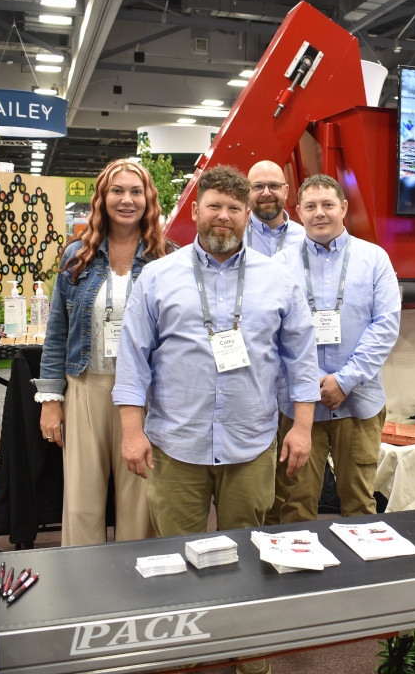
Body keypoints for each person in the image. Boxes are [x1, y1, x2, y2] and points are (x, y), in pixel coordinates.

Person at [113, 164, 320, 539]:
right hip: (176, 444)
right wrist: (131, 432)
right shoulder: (157, 277)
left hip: (250, 443)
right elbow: (132, 360)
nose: (224, 216)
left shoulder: (279, 279)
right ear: (195, 211)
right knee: (178, 551)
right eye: (214, 206)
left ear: (247, 214)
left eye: (234, 208)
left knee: (245, 553)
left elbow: (301, 359)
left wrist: (302, 428)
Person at [34, 159, 173, 546]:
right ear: (102, 198)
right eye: (117, 191)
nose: (127, 199)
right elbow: (57, 332)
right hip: (86, 387)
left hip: (146, 394)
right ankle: (82, 576)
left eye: (136, 191)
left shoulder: (167, 258)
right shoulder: (77, 255)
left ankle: (137, 573)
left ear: (148, 199)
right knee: (82, 500)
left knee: (140, 499)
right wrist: (51, 400)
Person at [266, 174, 401, 524]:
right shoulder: (279, 265)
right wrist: (310, 381)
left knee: (359, 503)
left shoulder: (375, 259)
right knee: (295, 504)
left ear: (343, 207)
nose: (319, 213)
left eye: (327, 204)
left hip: (358, 402)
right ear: (298, 212)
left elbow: (385, 326)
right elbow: (272, 332)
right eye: (310, 206)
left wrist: (345, 380)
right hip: (299, 405)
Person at [244, 160, 306, 257]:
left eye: (274, 186)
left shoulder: (304, 238)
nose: (266, 193)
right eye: (258, 186)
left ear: (286, 191)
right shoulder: (235, 238)